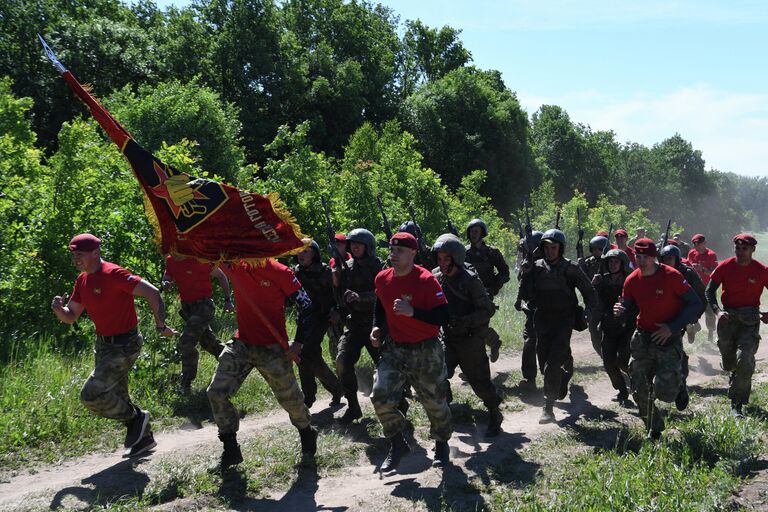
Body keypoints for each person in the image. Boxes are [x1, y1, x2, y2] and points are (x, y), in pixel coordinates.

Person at [51, 234, 176, 457]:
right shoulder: (82, 280)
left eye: (80, 254)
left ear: (95, 253)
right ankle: (144, 439)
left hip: (125, 344)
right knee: (119, 395)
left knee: (91, 394)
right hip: (103, 345)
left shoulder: (113, 273)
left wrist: (161, 325)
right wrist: (60, 310)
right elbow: (71, 316)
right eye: (73, 254)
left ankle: (137, 417)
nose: (75, 259)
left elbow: (152, 292)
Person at [207, 258, 318, 471]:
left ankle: (306, 432)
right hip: (242, 344)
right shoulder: (233, 264)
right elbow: (206, 257)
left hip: (273, 348)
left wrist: (299, 342)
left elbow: (306, 304)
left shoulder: (280, 271)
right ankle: (230, 448)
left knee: (292, 401)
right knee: (216, 392)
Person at [370, 232, 452, 471]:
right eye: (391, 250)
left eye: (399, 251)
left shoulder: (426, 280)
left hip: (426, 349)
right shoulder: (382, 278)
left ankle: (441, 443)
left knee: (434, 402)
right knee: (380, 396)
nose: (393, 255)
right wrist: (376, 327)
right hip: (395, 348)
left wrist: (413, 312)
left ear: (413, 253)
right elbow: (380, 303)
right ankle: (397, 443)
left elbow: (444, 315)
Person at [614, 239, 701, 438]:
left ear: (654, 258)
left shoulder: (672, 276)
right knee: (638, 387)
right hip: (643, 336)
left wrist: (672, 327)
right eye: (638, 257)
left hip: (667, 339)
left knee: (665, 393)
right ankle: (654, 427)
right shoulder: (632, 279)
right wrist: (621, 309)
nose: (641, 261)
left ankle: (678, 386)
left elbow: (694, 304)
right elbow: (628, 304)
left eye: (646, 257)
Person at [518, 229, 597, 424]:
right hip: (542, 319)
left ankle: (548, 407)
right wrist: (525, 274)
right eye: (546, 247)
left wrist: (590, 311)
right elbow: (527, 295)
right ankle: (562, 376)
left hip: (564, 320)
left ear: (560, 248)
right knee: (545, 365)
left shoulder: (570, 268)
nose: (550, 251)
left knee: (552, 363)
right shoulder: (535, 267)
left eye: (554, 248)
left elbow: (589, 291)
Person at [432, 234, 503, 437]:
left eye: (447, 258)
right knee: (438, 375)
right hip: (448, 338)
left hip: (470, 339)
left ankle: (494, 412)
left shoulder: (470, 280)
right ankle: (445, 418)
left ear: (456, 258)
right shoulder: (436, 277)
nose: (442, 263)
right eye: (439, 258)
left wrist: (464, 320)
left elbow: (486, 310)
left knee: (480, 383)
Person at [705, 234, 768, 417]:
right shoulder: (725, 266)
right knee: (729, 363)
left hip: (750, 320)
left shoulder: (761, 270)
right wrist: (717, 311)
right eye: (737, 249)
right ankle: (734, 372)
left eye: (744, 249)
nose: (740, 252)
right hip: (728, 319)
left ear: (753, 250)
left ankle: (737, 403)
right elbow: (709, 290)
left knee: (745, 359)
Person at [161, 253, 233, 393]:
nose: (172, 254)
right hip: (188, 308)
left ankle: (186, 382)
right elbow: (167, 276)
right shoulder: (170, 260)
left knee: (186, 342)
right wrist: (166, 282)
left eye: (175, 250)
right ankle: (233, 362)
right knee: (208, 343)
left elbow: (221, 276)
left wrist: (227, 300)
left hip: (204, 306)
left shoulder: (200, 259)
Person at [334, 228, 384, 423]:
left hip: (375, 324)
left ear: (368, 246)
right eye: (352, 243)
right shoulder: (346, 266)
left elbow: (382, 293)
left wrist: (360, 297)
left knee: (387, 366)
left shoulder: (376, 265)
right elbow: (341, 299)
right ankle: (353, 407)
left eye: (359, 243)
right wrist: (336, 282)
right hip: (354, 325)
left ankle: (398, 404)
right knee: (342, 362)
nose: (354, 247)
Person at [293, 239, 344, 408]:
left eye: (306, 251)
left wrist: (337, 310)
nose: (301, 254)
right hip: (304, 320)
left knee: (305, 354)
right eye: (299, 251)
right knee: (309, 357)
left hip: (323, 317)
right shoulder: (295, 272)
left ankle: (308, 397)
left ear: (314, 253)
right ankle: (336, 388)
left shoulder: (325, 271)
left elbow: (338, 293)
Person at [659, 244, 707, 411]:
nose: (667, 262)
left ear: (677, 259)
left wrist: (694, 317)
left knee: (675, 349)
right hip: (663, 317)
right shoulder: (656, 273)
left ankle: (680, 383)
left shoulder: (687, 273)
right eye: (664, 258)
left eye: (670, 258)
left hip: (683, 316)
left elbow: (702, 295)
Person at [593, 249, 635, 405]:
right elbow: (595, 302)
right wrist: (594, 286)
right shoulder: (601, 280)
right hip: (608, 326)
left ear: (622, 263)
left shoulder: (630, 281)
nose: (613, 264)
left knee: (623, 360)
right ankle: (622, 391)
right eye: (610, 261)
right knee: (608, 362)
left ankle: (638, 382)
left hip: (627, 326)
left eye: (616, 261)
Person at [465, 218, 510, 363]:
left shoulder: (492, 252)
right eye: (472, 231)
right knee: (470, 329)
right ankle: (494, 342)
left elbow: (505, 273)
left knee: (478, 327)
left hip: (485, 295)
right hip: (466, 295)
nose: (474, 234)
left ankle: (476, 366)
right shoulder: (463, 252)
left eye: (476, 231)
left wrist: (493, 288)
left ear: (482, 233)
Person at [516, 230, 543, 389]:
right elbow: (522, 282)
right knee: (529, 343)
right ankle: (530, 379)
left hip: (551, 312)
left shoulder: (548, 264)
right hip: (532, 312)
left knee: (556, 347)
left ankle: (563, 370)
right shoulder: (527, 265)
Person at [580, 235, 610, 358]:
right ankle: (603, 356)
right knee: (593, 330)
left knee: (609, 331)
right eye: (593, 249)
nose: (595, 252)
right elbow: (582, 279)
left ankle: (610, 356)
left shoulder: (612, 261)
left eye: (598, 249)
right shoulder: (588, 262)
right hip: (593, 302)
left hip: (608, 301)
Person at [687, 233, 718, 342]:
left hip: (708, 288)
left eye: (698, 244)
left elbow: (715, 275)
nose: (696, 246)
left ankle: (710, 334)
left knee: (710, 313)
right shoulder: (691, 253)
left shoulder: (711, 255)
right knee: (693, 308)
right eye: (694, 244)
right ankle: (695, 327)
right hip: (694, 287)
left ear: (704, 243)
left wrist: (702, 269)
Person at [327, 233, 350, 360]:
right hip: (338, 304)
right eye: (333, 244)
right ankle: (336, 360)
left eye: (339, 244)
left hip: (350, 304)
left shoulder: (350, 260)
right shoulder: (332, 261)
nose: (335, 247)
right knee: (333, 330)